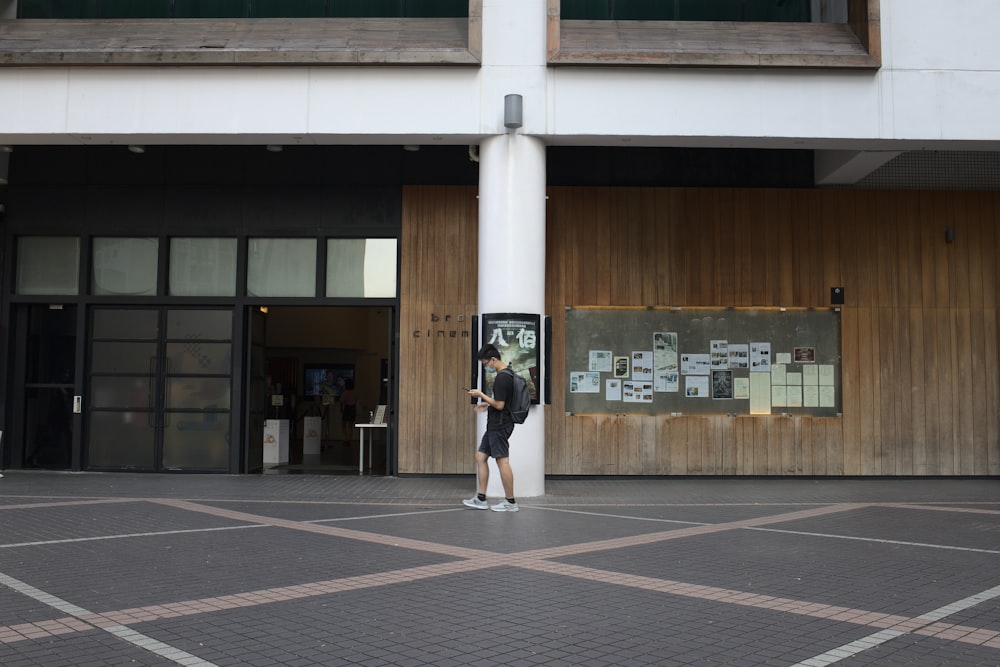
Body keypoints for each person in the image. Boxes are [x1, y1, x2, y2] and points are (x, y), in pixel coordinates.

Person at [463, 344, 519, 512]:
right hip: (496, 424)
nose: (485, 367)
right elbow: (502, 402)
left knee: (502, 461)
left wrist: (480, 395)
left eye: (486, 364)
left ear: (494, 359)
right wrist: (486, 404)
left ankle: (510, 502)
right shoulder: (508, 374)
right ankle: (481, 498)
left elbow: (500, 405)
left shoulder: (502, 378)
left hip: (500, 425)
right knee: (481, 457)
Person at [339, 378, 358, 442]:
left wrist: (341, 409)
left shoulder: (345, 392)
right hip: (353, 408)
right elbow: (356, 400)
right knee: (350, 425)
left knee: (344, 424)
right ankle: (349, 439)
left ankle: (346, 438)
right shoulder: (354, 392)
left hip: (347, 408)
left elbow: (341, 401)